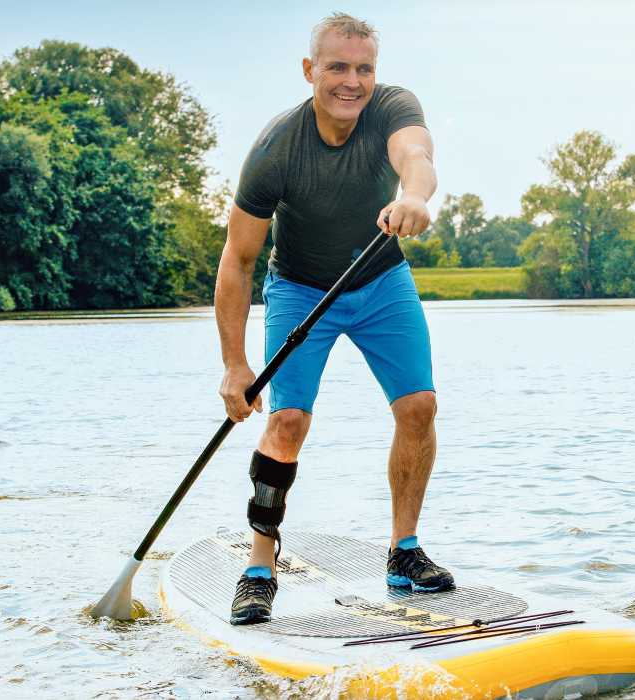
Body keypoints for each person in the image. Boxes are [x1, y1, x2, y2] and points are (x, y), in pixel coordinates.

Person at [214, 12, 452, 626]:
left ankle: (404, 551)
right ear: (309, 71)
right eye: (338, 67)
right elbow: (239, 262)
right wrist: (235, 366)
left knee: (419, 407)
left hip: (380, 281)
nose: (353, 81)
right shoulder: (275, 150)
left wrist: (415, 196)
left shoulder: (392, 108)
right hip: (298, 289)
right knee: (287, 420)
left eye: (364, 68)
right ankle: (259, 568)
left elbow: (416, 155)